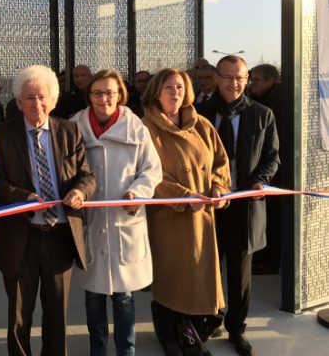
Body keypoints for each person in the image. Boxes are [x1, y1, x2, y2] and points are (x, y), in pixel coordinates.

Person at [0, 65, 96, 356]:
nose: (36, 104)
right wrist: (23, 197)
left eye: (42, 97)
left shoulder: (69, 130)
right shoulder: (0, 135)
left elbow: (87, 176)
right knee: (19, 317)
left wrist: (79, 191)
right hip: (19, 236)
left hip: (59, 236)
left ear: (52, 99)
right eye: (28, 97)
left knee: (56, 316)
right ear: (17, 101)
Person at [70, 70, 162, 356]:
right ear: (89, 96)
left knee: (124, 296)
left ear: (120, 95)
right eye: (97, 93)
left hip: (125, 219)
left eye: (110, 93)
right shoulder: (74, 126)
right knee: (94, 295)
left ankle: (127, 350)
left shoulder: (136, 128)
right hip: (90, 221)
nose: (103, 99)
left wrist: (138, 192)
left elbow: (151, 170)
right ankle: (97, 349)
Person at [141, 67, 230, 355]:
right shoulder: (146, 127)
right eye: (169, 87)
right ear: (156, 92)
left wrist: (218, 188)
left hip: (202, 218)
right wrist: (182, 195)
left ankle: (191, 338)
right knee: (172, 280)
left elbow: (220, 162)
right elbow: (148, 174)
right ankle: (169, 338)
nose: (175, 92)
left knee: (198, 281)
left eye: (180, 87)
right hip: (168, 218)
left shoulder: (201, 124)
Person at [198, 56, 279, 356]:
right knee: (209, 266)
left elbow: (273, 156)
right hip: (210, 205)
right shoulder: (200, 113)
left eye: (240, 78)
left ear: (247, 80)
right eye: (228, 77)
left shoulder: (262, 114)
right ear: (217, 78)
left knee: (240, 271)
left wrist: (261, 180)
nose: (234, 84)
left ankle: (237, 328)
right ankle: (213, 317)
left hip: (246, 205)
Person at [248, 64, 288, 276]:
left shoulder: (279, 102)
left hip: (275, 169)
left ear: (271, 80)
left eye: (256, 80)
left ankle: (270, 261)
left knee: (272, 218)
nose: (251, 84)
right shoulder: (255, 100)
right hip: (260, 168)